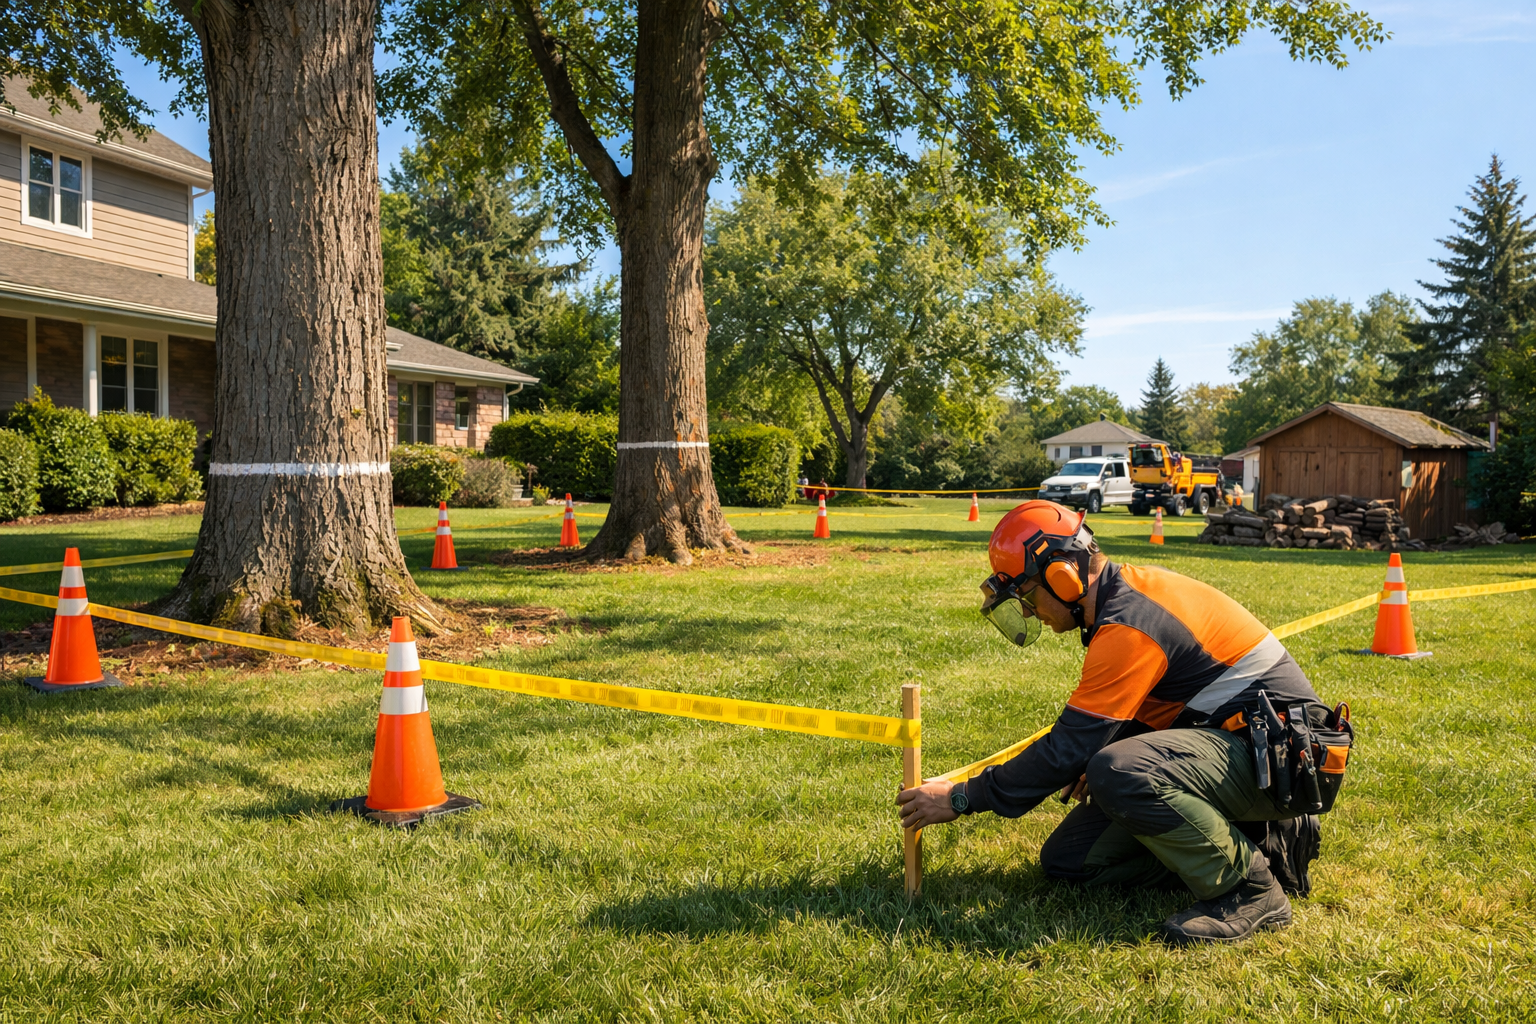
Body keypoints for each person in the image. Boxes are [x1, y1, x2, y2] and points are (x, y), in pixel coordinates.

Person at [897, 499, 1346, 945]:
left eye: (1027, 595)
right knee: (1069, 860)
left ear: (1063, 575)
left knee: (1119, 769)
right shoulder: (1123, 600)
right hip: (1259, 753)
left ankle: (1248, 889)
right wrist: (1101, 751)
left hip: (1286, 763)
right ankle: (1255, 842)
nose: (1030, 611)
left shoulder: (1130, 623)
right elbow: (1167, 710)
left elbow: (1070, 748)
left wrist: (962, 797)